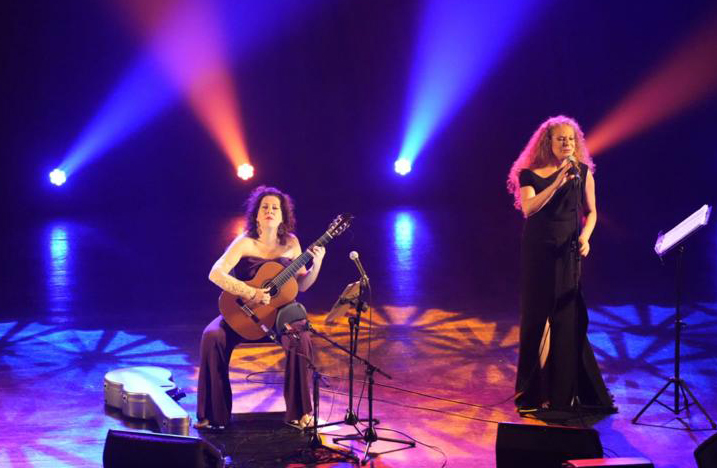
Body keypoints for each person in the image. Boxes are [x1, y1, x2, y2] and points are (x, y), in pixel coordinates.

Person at [507, 115, 615, 413]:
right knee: (537, 319)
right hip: (538, 252)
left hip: (568, 252)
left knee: (566, 320)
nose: (567, 143)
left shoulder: (583, 172)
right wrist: (557, 181)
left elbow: (591, 212)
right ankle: (533, 392)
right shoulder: (529, 174)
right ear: (548, 143)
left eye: (571, 139)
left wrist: (586, 236)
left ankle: (563, 393)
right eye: (561, 139)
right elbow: (529, 208)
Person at [195, 185, 326, 430]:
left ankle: (300, 413)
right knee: (212, 336)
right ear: (256, 214)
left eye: (275, 208)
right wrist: (251, 292)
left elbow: (301, 285)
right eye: (265, 207)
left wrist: (316, 265)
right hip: (246, 312)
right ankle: (213, 415)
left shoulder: (292, 243)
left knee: (301, 338)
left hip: (279, 314)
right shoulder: (244, 242)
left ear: (283, 216)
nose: (270, 211)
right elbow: (215, 273)